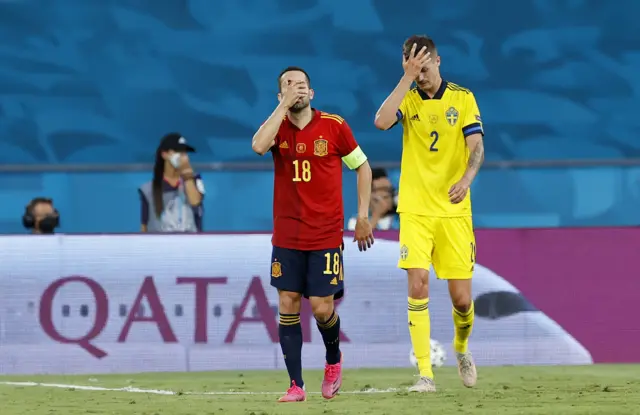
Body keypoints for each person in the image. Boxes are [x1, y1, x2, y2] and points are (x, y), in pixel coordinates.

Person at [251, 66, 374, 402]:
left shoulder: (334, 127)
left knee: (321, 308)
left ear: (312, 93)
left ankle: (333, 360)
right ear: (280, 96)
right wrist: (280, 109)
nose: (296, 89)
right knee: (287, 305)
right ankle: (296, 385)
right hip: (287, 235)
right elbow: (258, 146)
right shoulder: (276, 128)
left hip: (324, 236)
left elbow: (363, 167)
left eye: (302, 85)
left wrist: (362, 216)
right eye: (289, 86)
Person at [374, 35, 485, 393]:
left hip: (453, 212)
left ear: (439, 60)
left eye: (424, 67)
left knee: (462, 301)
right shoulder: (407, 98)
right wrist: (405, 78)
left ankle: (462, 348)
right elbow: (380, 121)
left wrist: (467, 179)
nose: (420, 74)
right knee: (417, 284)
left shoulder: (462, 98)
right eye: (412, 68)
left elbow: (477, 146)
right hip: (416, 209)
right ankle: (425, 374)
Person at [139, 133, 205, 233]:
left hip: (191, 244)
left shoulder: (196, 180)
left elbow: (195, 202)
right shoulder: (148, 189)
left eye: (185, 152)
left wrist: (187, 175)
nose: (183, 156)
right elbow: (144, 225)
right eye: (177, 151)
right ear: (164, 154)